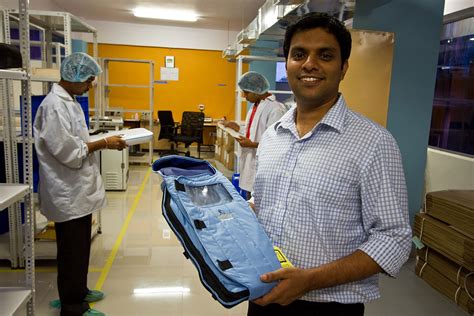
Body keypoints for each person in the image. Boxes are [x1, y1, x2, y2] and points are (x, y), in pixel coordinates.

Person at [248, 12, 412, 316]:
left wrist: (310, 280)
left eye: (325, 55)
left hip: (329, 307)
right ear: (287, 64)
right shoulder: (272, 136)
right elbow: (266, 202)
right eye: (299, 54)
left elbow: (394, 238)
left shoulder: (374, 143)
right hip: (263, 296)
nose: (309, 64)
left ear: (344, 67)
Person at [34, 52, 127, 316]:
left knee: (79, 247)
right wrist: (105, 142)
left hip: (76, 191)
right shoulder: (54, 106)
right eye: (87, 80)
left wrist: (100, 140)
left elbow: (77, 141)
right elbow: (69, 152)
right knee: (71, 251)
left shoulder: (70, 101)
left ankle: (79, 291)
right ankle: (72, 306)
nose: (90, 85)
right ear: (72, 76)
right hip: (66, 190)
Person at [223, 71, 287, 196]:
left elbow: (277, 142)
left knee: (258, 199)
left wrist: (252, 144)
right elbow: (253, 131)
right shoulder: (256, 106)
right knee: (249, 193)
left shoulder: (276, 109)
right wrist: (236, 128)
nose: (244, 96)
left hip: (263, 164)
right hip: (250, 160)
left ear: (257, 90)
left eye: (246, 92)